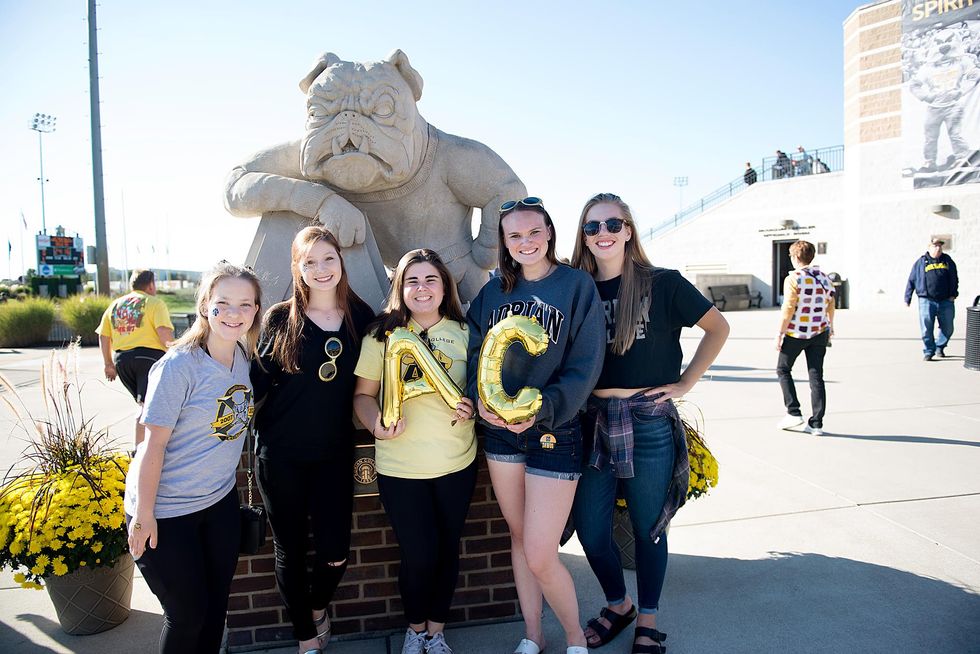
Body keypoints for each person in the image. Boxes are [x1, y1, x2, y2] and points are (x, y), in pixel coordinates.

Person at [569, 193, 729, 653]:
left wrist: (685, 382)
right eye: (592, 227)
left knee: (648, 528)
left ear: (628, 230)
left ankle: (648, 621)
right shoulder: (577, 288)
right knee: (591, 529)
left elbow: (718, 328)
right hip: (594, 422)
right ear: (584, 236)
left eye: (612, 224)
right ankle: (618, 605)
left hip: (647, 420)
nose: (603, 233)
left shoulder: (663, 283)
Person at [466, 197, 605, 654]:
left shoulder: (576, 285)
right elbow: (473, 353)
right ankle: (533, 635)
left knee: (542, 552)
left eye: (533, 232)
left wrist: (544, 407)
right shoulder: (492, 293)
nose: (525, 242)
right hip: (501, 432)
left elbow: (586, 363)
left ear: (548, 233)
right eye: (515, 235)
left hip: (554, 429)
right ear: (504, 243)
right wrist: (481, 399)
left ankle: (575, 638)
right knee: (520, 538)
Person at [125, 261, 262, 654]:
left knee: (215, 609)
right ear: (205, 305)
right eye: (224, 303)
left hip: (218, 504)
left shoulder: (243, 357)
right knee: (186, 616)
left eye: (245, 304)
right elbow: (151, 445)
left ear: (255, 310)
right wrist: (144, 515)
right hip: (166, 512)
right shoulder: (179, 366)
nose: (234, 313)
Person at [251, 226, 375, 654]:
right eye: (310, 262)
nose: (321, 269)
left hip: (333, 454)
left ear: (341, 261)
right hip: (279, 453)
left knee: (335, 552)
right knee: (289, 550)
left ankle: (318, 607)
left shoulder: (361, 317)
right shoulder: (279, 319)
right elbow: (254, 384)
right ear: (297, 268)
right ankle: (306, 639)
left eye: (328, 259)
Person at [353, 249, 476, 654]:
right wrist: (376, 424)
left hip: (456, 462)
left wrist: (474, 405)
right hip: (401, 467)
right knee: (418, 555)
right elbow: (363, 396)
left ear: (445, 286)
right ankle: (415, 629)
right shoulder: (380, 335)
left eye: (430, 279)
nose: (422, 288)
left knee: (447, 551)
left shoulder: (465, 331)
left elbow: (482, 389)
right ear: (400, 288)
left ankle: (436, 633)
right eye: (413, 281)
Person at [97, 269, 174, 446]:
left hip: (122, 361)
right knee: (146, 406)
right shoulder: (154, 303)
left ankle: (146, 447)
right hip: (148, 359)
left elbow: (103, 336)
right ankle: (140, 450)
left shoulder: (116, 305)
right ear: (151, 285)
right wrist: (176, 356)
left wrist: (108, 364)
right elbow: (163, 332)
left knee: (145, 403)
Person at [776, 241, 835, 436]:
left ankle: (793, 412)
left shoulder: (793, 278)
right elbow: (831, 303)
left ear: (795, 257)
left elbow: (788, 307)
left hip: (796, 332)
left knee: (783, 369)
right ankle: (817, 424)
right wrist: (831, 325)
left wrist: (780, 333)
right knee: (816, 375)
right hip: (820, 331)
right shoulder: (824, 277)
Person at [905, 238, 958, 360]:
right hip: (926, 300)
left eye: (940, 246)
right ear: (929, 247)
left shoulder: (947, 261)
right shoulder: (921, 262)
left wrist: (953, 294)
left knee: (948, 327)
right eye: (935, 246)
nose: (938, 248)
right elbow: (911, 280)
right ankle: (929, 351)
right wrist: (907, 297)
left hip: (946, 300)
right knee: (926, 328)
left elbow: (954, 278)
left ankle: (940, 346)